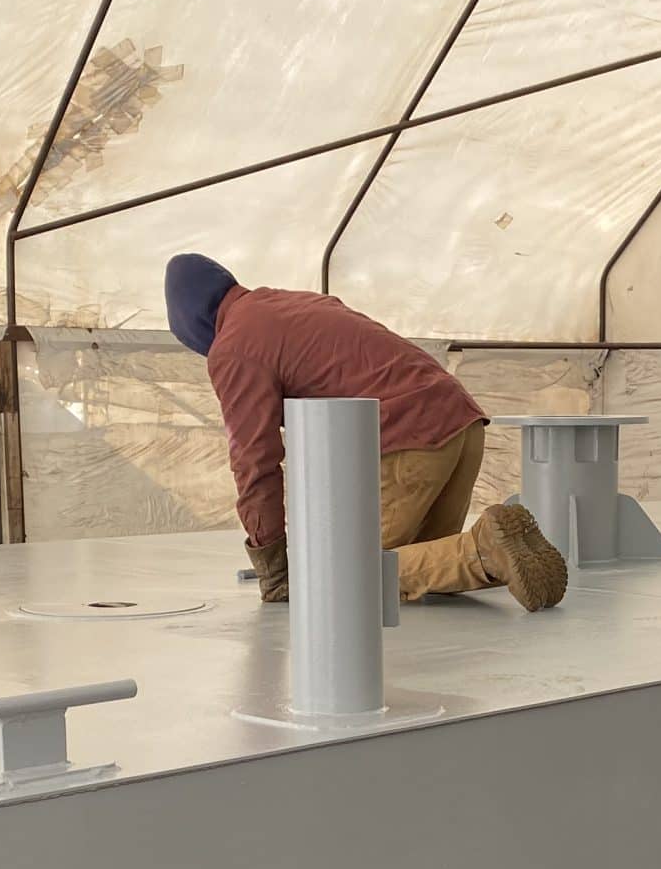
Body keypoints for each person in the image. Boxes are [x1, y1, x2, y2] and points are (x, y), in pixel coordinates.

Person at [165, 254, 568, 612]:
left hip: (411, 441)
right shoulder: (291, 302)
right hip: (460, 425)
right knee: (420, 566)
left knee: (343, 579)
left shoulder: (235, 347)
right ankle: (500, 550)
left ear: (193, 328)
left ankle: (484, 548)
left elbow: (254, 461)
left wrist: (272, 565)